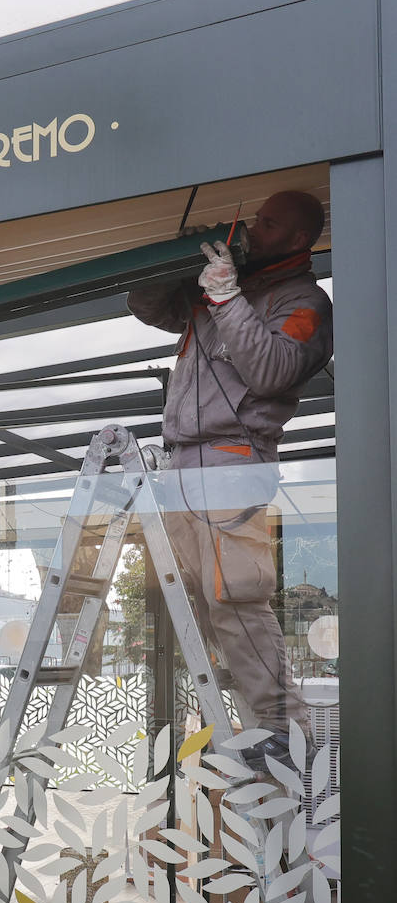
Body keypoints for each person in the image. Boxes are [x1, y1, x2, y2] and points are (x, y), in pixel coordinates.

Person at [127, 190, 333, 774]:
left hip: (233, 461)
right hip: (183, 465)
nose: (255, 230)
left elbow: (271, 371)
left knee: (235, 596)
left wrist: (226, 297)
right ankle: (243, 721)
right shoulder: (223, 284)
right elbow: (147, 305)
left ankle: (282, 731)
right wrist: (175, 260)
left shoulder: (303, 301)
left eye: (268, 224)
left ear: (298, 239)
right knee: (193, 598)